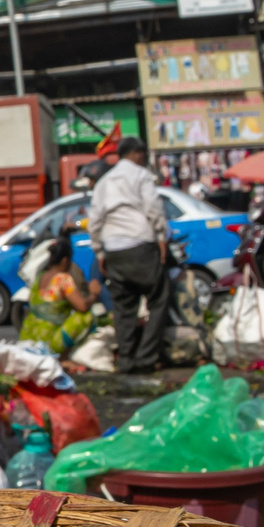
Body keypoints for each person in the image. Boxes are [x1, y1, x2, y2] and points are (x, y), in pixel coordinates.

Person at [86, 135, 169, 374]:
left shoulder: (104, 182)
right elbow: (153, 208)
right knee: (159, 299)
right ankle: (145, 357)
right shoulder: (141, 175)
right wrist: (161, 238)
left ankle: (126, 360)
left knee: (124, 308)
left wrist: (100, 252)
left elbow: (95, 221)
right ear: (137, 154)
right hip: (141, 245)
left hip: (114, 250)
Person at [17, 249, 99, 357]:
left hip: (28, 337)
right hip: (49, 342)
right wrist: (94, 294)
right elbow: (82, 306)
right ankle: (63, 356)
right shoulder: (63, 279)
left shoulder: (40, 276)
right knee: (85, 316)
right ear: (65, 261)